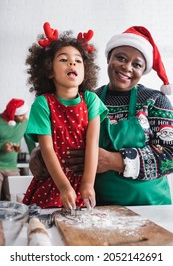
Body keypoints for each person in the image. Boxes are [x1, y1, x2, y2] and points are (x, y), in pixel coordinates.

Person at [62, 26, 173, 206]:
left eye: (137, 64)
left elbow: (170, 156)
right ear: (108, 58)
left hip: (151, 208)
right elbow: (66, 139)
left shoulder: (155, 101)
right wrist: (41, 154)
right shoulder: (88, 100)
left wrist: (114, 161)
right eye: (121, 58)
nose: (127, 67)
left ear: (143, 70)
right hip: (97, 208)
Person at [22, 22, 108, 209]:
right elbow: (47, 150)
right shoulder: (43, 103)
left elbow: (92, 145)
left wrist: (87, 184)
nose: (72, 63)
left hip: (83, 181)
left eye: (78, 60)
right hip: (53, 181)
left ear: (85, 70)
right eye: (63, 59)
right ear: (49, 70)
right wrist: (63, 186)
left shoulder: (92, 101)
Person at [0, 98, 35, 200]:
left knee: (15, 198)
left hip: (12, 166)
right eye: (21, 115)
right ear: (12, 115)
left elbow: (30, 143)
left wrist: (35, 159)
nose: (24, 118)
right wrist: (2, 146)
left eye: (25, 114)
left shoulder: (25, 122)